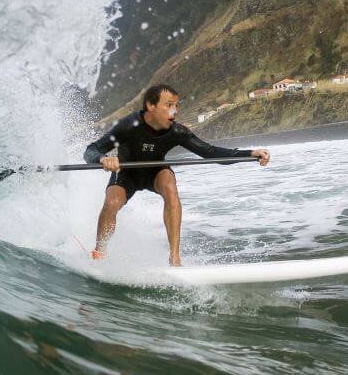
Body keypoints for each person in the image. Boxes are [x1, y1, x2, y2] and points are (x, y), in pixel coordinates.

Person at [84, 84, 270, 266]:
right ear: (151, 105)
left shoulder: (177, 132)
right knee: (112, 202)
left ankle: (174, 258)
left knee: (170, 188)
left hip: (156, 171)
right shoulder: (128, 126)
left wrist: (250, 153)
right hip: (126, 172)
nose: (175, 111)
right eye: (169, 105)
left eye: (177, 105)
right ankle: (99, 253)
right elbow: (91, 150)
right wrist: (102, 159)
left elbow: (211, 153)